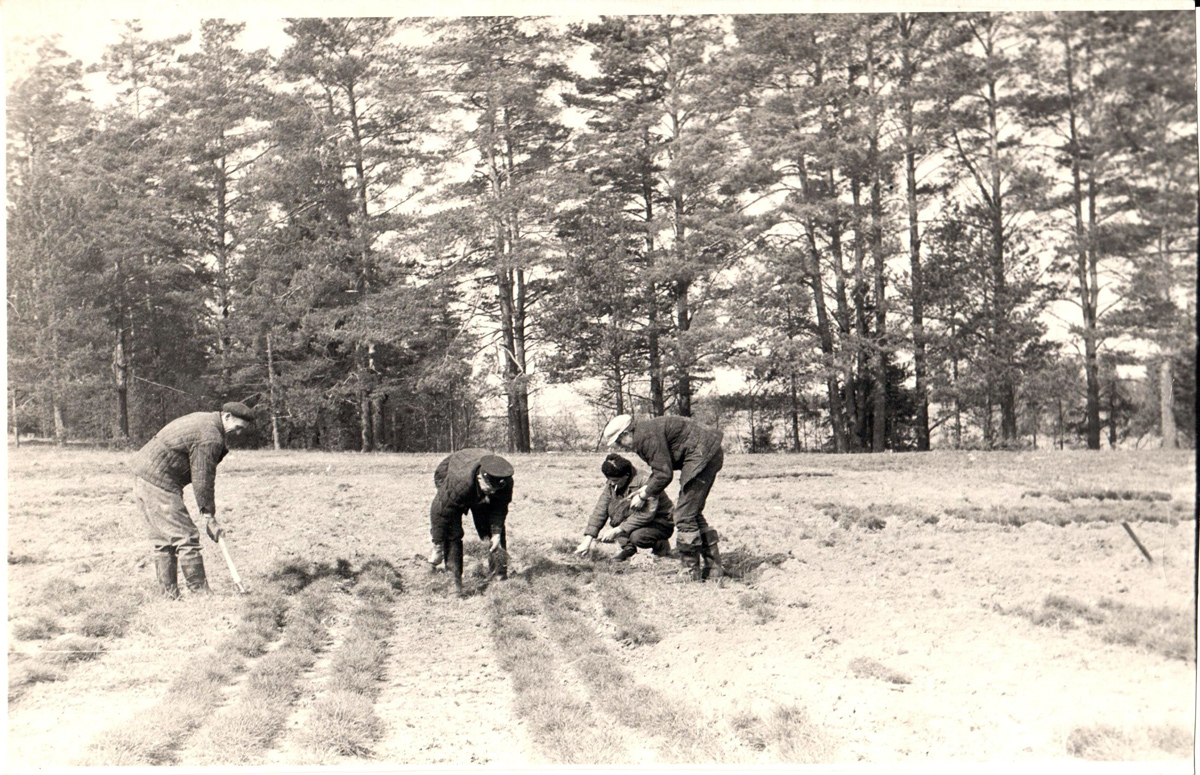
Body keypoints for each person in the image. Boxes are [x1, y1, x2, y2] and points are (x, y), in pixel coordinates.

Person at [130, 402, 255, 598]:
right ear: (227, 416)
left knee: (164, 539)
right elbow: (202, 477)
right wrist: (208, 516)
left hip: (144, 474)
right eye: (237, 427)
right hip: (158, 480)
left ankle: (169, 595)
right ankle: (200, 594)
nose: (238, 433)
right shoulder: (210, 436)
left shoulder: (207, 420)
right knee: (186, 536)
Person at [602, 413, 724, 582]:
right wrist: (647, 487)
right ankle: (713, 569)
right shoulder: (645, 432)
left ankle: (690, 572)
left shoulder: (645, 438)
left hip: (703, 456)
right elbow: (660, 469)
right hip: (707, 453)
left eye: (619, 442)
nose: (621, 447)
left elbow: (664, 474)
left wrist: (644, 495)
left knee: (684, 515)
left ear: (626, 434)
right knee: (691, 512)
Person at [428, 449, 514, 595]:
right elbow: (440, 512)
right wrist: (437, 544)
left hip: (474, 480)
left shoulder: (504, 481)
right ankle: (453, 581)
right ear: (480, 478)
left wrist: (496, 533)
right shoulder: (459, 483)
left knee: (490, 532)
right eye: (488, 490)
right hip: (449, 474)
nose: (492, 493)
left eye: (494, 490)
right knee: (452, 533)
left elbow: (499, 508)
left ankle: (499, 576)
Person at [575, 453, 674, 562]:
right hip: (637, 519)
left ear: (626, 475)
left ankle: (661, 545)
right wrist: (588, 540)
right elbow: (600, 509)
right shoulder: (613, 482)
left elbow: (646, 514)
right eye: (610, 480)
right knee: (615, 510)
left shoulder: (645, 481)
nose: (612, 483)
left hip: (660, 521)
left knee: (637, 537)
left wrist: (617, 530)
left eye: (615, 481)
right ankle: (628, 549)